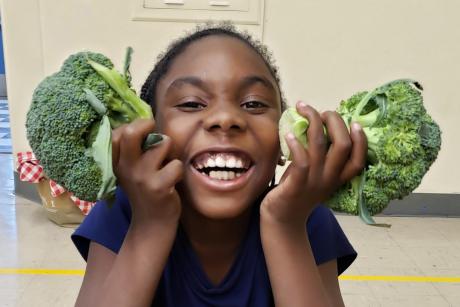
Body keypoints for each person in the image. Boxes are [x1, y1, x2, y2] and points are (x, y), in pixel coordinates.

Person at [72, 23, 367, 307]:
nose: (225, 118)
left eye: (253, 104)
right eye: (191, 103)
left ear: (282, 141)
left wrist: (285, 226)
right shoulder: (124, 210)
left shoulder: (305, 218)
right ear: (148, 134)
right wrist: (150, 224)